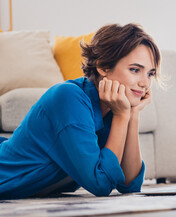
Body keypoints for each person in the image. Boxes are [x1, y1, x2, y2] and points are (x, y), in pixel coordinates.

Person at [0, 23, 161, 199]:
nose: (145, 83)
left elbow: (131, 185)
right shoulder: (68, 97)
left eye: (150, 74)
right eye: (135, 70)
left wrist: (133, 114)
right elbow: (101, 184)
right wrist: (122, 116)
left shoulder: (113, 107)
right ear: (103, 67)